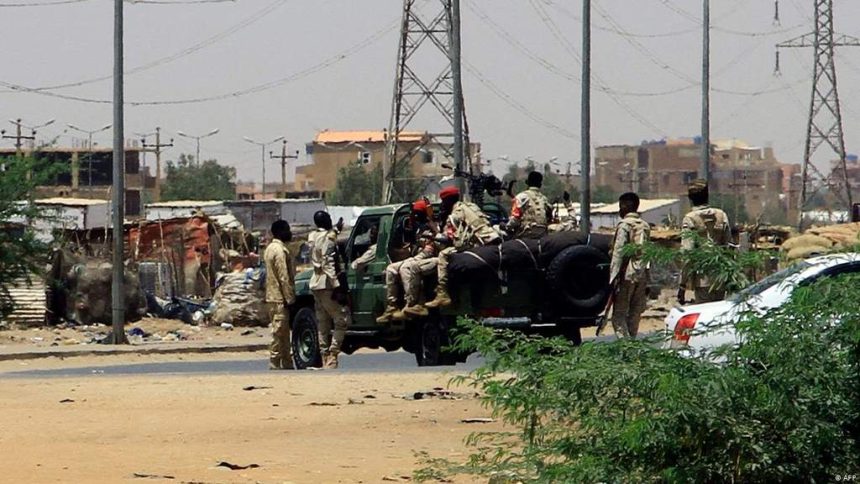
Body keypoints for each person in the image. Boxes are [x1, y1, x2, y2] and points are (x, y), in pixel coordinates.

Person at [425, 186, 502, 309]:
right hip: (491, 240)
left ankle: (442, 293)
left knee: (443, 255)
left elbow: (448, 239)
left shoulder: (455, 215)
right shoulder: (472, 206)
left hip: (476, 245)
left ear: (448, 201)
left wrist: (434, 230)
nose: (443, 205)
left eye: (444, 202)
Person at [377, 199, 438, 323]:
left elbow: (438, 238)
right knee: (391, 269)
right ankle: (391, 306)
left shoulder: (432, 224)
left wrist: (431, 223)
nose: (416, 215)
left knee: (406, 267)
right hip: (419, 254)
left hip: (430, 253)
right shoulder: (416, 226)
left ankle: (413, 303)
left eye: (418, 213)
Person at [308, 210, 351, 369]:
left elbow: (327, 236)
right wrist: (337, 286)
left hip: (315, 283)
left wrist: (336, 230)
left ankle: (324, 355)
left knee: (322, 323)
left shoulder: (312, 237)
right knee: (342, 320)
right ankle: (332, 355)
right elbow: (328, 262)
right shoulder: (329, 239)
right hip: (326, 283)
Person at [679, 179, 732, 304]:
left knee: (704, 316)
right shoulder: (721, 215)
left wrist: (682, 284)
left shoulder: (690, 218)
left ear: (690, 198)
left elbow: (687, 254)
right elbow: (729, 247)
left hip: (702, 278)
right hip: (721, 277)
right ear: (707, 196)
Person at [608, 193, 651, 338]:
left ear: (624, 207)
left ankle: (627, 349)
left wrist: (612, 279)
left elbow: (618, 253)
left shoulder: (624, 225)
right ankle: (632, 347)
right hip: (642, 274)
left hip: (627, 275)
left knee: (619, 318)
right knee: (634, 315)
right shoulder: (644, 226)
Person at [263, 219, 296, 370]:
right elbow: (284, 277)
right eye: (287, 229)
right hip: (279, 298)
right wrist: (290, 298)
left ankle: (287, 363)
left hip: (271, 296)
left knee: (283, 333)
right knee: (278, 332)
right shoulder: (279, 251)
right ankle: (274, 362)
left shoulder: (269, 248)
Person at [507, 171, 552, 239]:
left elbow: (515, 219)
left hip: (525, 234)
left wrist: (506, 226)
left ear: (528, 183)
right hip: (542, 234)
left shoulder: (521, 197)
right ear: (540, 185)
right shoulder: (545, 199)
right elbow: (549, 218)